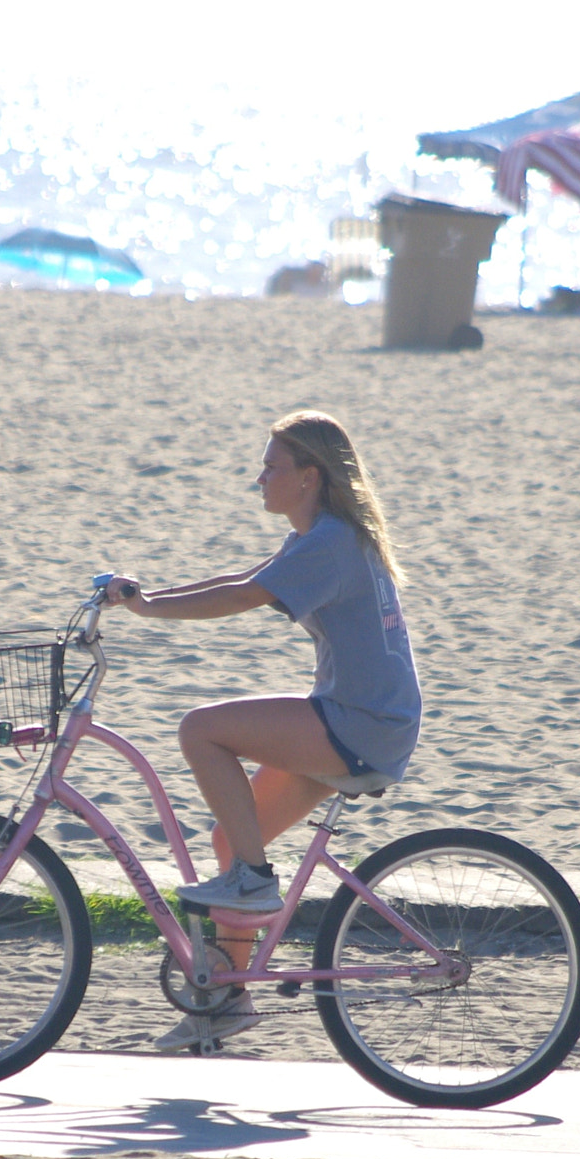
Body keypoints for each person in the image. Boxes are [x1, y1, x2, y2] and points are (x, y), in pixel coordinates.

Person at [104, 410, 420, 1051]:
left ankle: (251, 883)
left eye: (271, 467)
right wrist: (148, 598)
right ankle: (227, 998)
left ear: (308, 476)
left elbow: (241, 600)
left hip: (360, 723)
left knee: (201, 731)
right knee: (230, 836)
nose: (259, 478)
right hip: (364, 718)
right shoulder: (321, 535)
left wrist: (150, 611)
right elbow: (241, 582)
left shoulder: (329, 542)